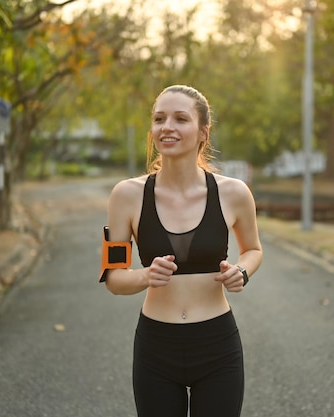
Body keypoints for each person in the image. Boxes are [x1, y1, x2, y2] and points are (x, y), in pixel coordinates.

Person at [100, 84, 263, 417]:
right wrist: (146, 275)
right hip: (156, 348)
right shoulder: (126, 196)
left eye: (180, 119)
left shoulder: (234, 193)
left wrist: (241, 270)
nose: (167, 127)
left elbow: (253, 250)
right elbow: (114, 278)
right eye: (159, 119)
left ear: (203, 131)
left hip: (217, 344)